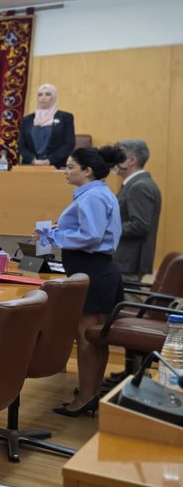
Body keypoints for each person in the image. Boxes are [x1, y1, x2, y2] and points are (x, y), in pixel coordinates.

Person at [38, 145, 125, 417]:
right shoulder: (96, 193)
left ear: (87, 171)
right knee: (97, 337)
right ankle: (92, 392)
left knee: (87, 338)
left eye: (70, 167)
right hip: (98, 271)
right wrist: (60, 231)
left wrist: (54, 238)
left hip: (93, 272)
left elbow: (91, 236)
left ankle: (86, 396)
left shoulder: (92, 197)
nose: (66, 171)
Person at [113, 138, 161, 282]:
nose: (113, 161)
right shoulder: (133, 184)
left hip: (129, 263)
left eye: (118, 157)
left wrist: (107, 228)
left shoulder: (139, 186)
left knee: (128, 304)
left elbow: (139, 225)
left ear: (131, 160)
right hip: (125, 261)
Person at [18, 83, 75, 167]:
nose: (43, 97)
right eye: (40, 95)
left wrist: (50, 160)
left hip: (56, 165)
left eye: (48, 94)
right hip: (30, 166)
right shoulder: (27, 119)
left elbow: (69, 143)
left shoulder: (65, 117)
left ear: (54, 97)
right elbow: (21, 145)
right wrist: (33, 160)